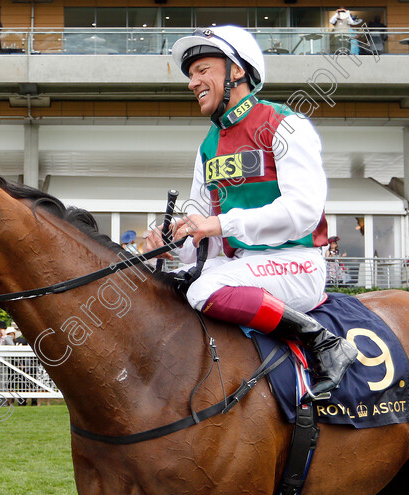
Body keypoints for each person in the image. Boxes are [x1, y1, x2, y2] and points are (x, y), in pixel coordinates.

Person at [145, 27, 358, 400]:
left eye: (202, 70)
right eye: (190, 74)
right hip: (237, 267)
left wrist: (222, 223)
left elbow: (305, 211)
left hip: (295, 263)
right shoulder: (208, 146)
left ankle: (323, 342)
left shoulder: (285, 124)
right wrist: (173, 243)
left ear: (237, 72)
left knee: (204, 290)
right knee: (165, 285)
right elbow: (205, 242)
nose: (193, 82)